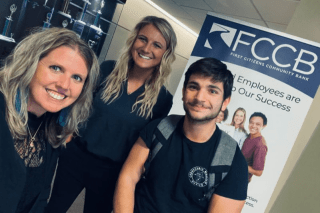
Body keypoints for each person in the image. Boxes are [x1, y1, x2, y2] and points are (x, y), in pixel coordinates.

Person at [47, 16, 177, 213]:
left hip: (111, 173)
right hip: (76, 157)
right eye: (143, 39)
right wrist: (68, 130)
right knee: (53, 208)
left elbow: (147, 142)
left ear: (165, 54)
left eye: (157, 45)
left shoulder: (163, 99)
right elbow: (80, 102)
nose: (146, 48)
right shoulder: (107, 69)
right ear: (134, 40)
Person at [114, 58, 248, 213]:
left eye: (212, 91)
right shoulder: (159, 128)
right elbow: (129, 176)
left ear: (225, 102)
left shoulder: (232, 161)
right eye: (193, 87)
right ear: (184, 92)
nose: (200, 98)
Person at [0, 27, 100, 213]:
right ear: (30, 63)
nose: (64, 85)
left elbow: (40, 198)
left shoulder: (51, 128)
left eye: (77, 78)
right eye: (56, 68)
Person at [241, 112, 268, 182]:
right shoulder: (247, 136)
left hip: (240, 180)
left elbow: (259, 172)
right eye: (251, 123)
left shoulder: (260, 145)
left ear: (264, 126)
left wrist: (240, 164)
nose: (253, 126)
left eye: (258, 124)